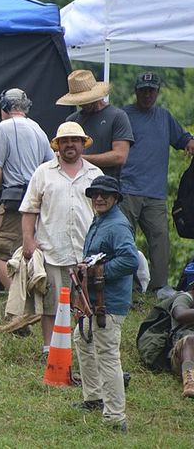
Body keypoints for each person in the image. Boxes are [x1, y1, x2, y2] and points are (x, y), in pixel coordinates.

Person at [20, 122, 102, 360]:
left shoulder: (95, 174)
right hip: (52, 249)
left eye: (74, 140)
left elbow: (103, 212)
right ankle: (49, 349)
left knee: (85, 303)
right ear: (57, 145)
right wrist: (28, 239)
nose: (69, 145)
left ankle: (82, 348)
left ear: (82, 144)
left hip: (86, 251)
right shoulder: (43, 172)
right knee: (51, 303)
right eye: (64, 141)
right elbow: (30, 209)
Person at [72, 176, 138, 432]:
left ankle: (115, 417)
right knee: (82, 339)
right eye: (95, 193)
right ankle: (94, 397)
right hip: (95, 300)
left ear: (116, 198)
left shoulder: (117, 225)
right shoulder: (100, 220)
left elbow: (130, 260)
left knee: (108, 356)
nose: (99, 198)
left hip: (107, 303)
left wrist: (99, 272)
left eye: (105, 194)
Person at [120, 72, 194, 296]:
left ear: (158, 92)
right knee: (124, 238)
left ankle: (159, 287)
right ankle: (128, 287)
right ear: (136, 91)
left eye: (151, 90)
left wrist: (190, 142)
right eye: (143, 90)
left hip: (155, 191)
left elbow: (182, 139)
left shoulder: (164, 116)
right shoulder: (124, 114)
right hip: (126, 188)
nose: (147, 94)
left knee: (160, 239)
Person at [0, 88, 54, 291]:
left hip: (14, 199)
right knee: (23, 252)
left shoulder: (4, 127)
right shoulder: (38, 129)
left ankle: (20, 297)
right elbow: (51, 165)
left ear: (5, 107)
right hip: (36, 202)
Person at [56, 69, 133, 179]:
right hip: (75, 182)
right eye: (79, 100)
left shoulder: (117, 116)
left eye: (86, 99)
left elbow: (119, 156)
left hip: (106, 185)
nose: (82, 104)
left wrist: (80, 158)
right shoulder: (72, 120)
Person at [169, 269, 194, 398]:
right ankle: (190, 383)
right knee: (190, 339)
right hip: (181, 355)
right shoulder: (184, 298)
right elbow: (180, 314)